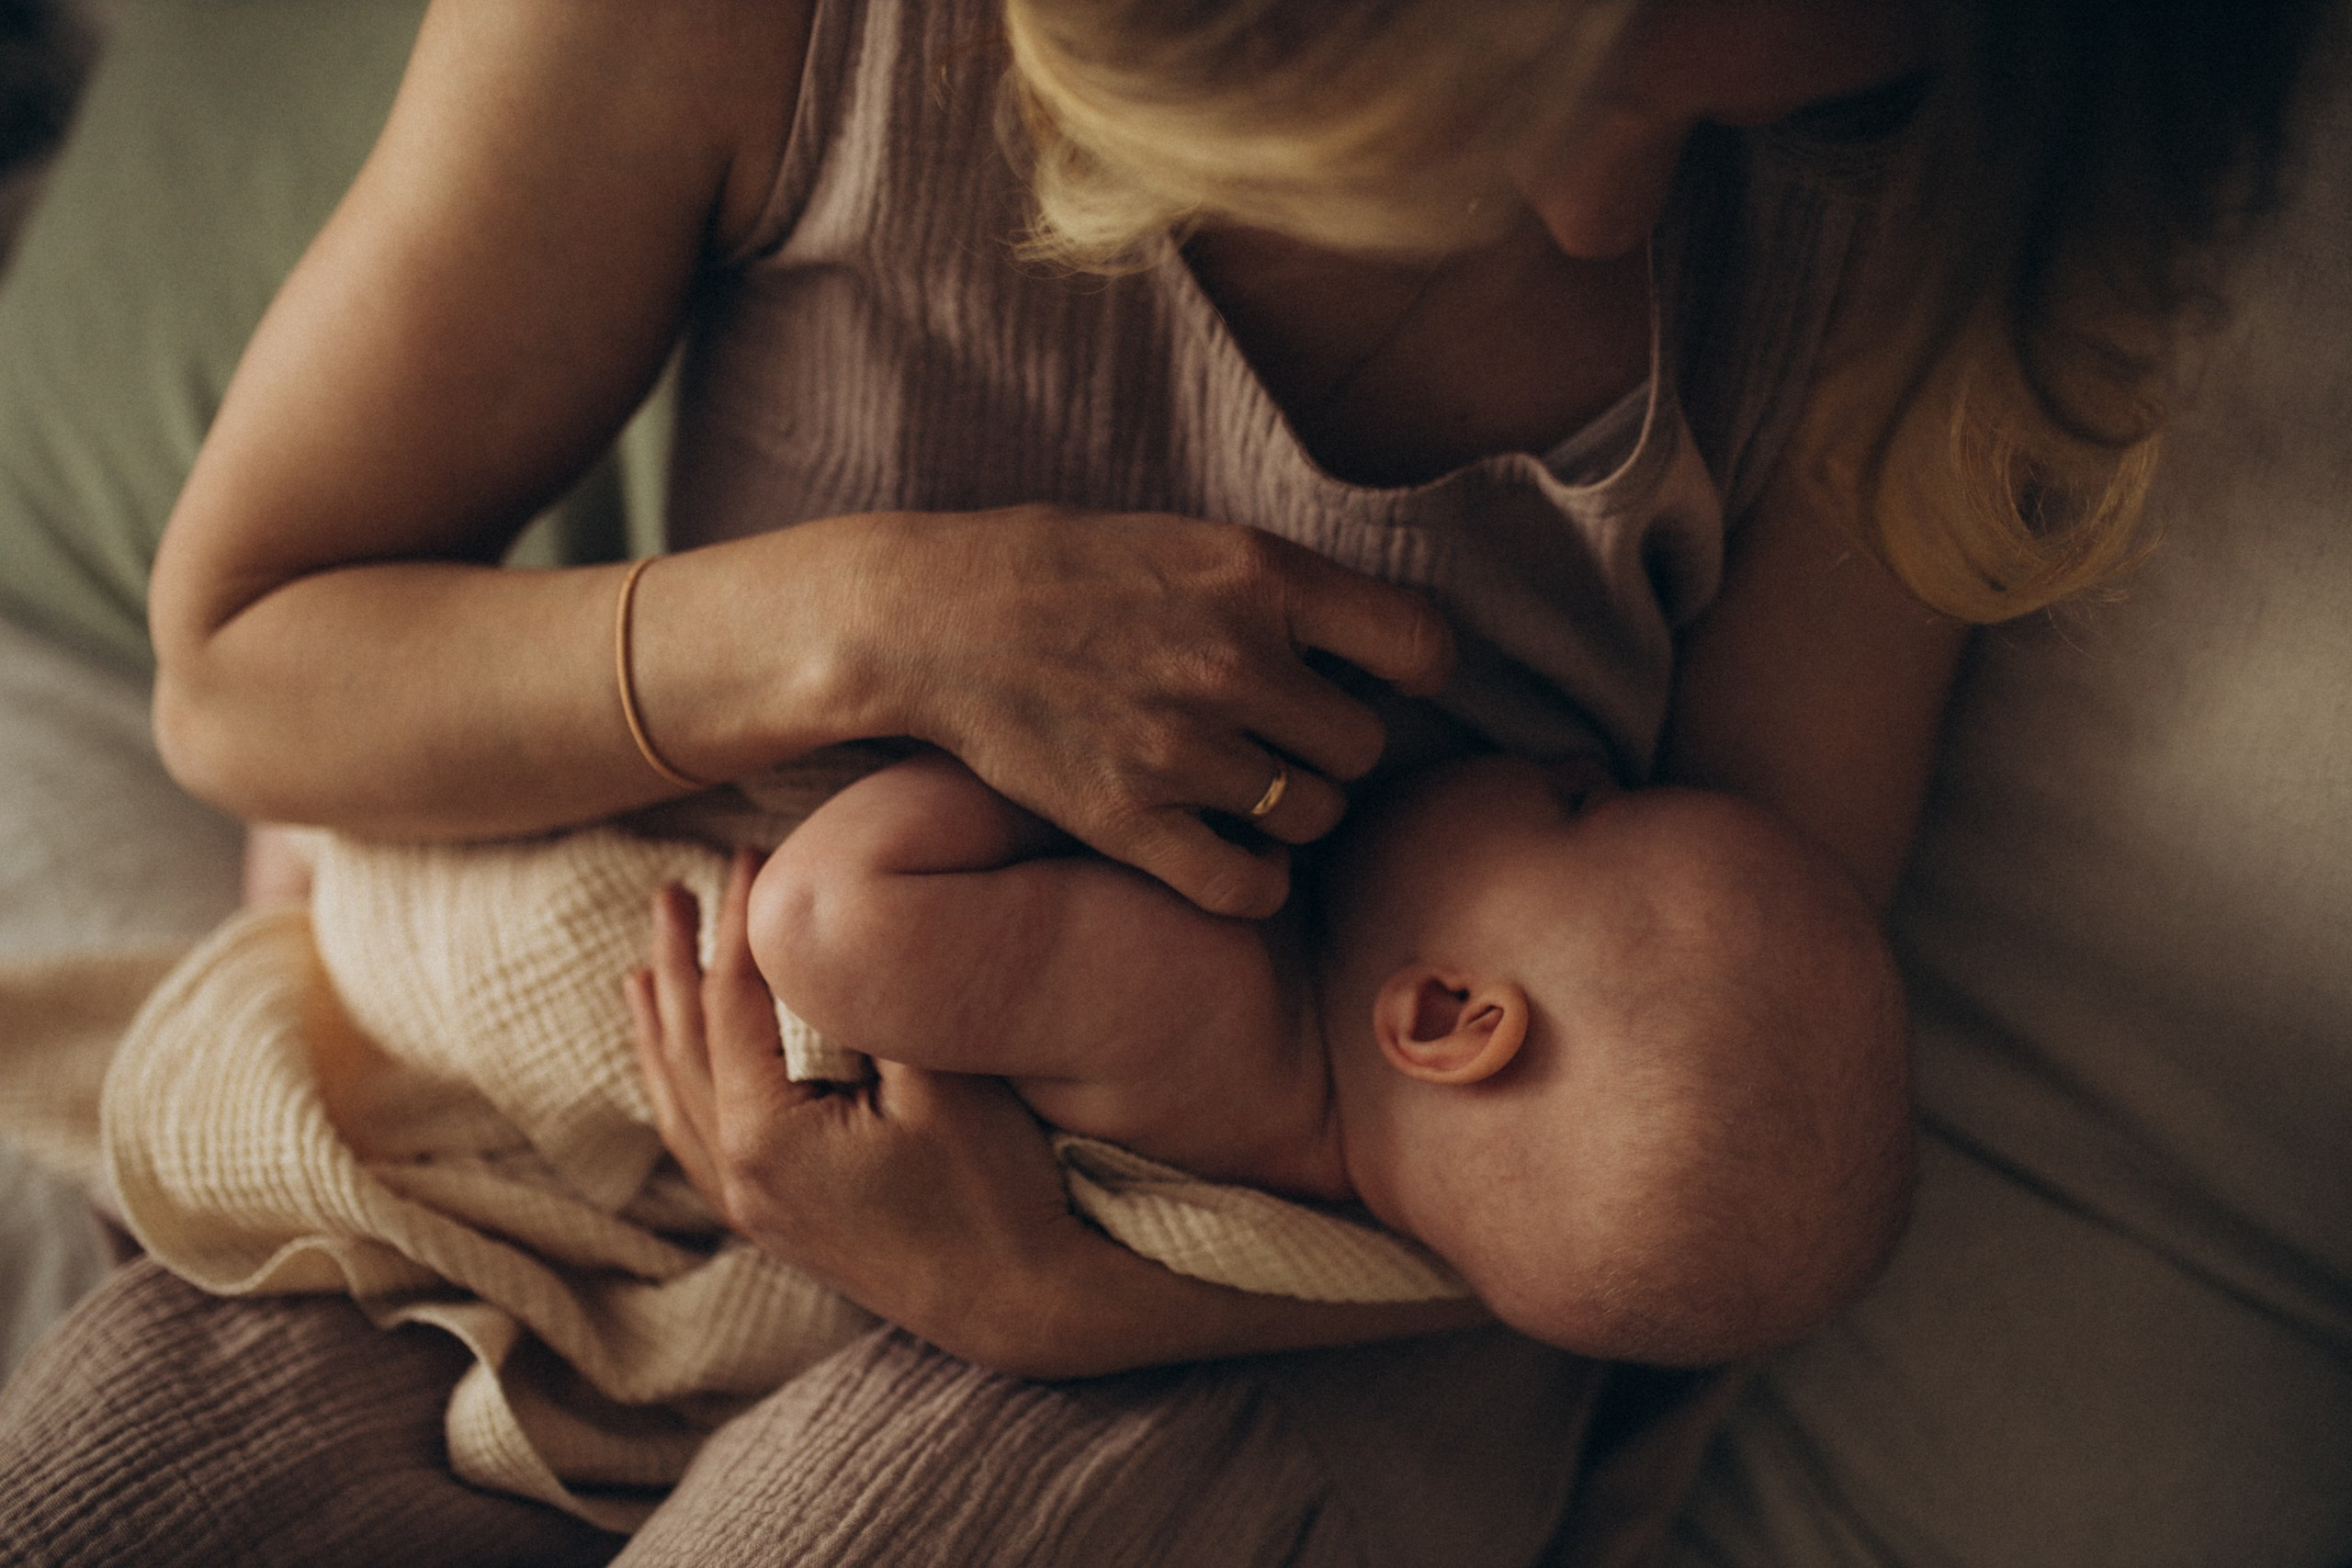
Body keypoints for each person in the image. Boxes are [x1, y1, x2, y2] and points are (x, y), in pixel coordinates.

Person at [0, 0, 2330, 1562]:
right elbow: (244, 669)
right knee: (138, 1466)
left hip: (1334, 1320)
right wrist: (875, 621)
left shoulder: (1923, 218)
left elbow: (1695, 1143)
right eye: (1531, 88)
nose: (1615, 214)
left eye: (1775, 104)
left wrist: (1076, 1300)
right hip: (647, 1133)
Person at [637, 747, 1907, 1365]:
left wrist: (1069, 775)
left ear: (1448, 1020)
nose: (1571, 758)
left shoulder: (1200, 992)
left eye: (1583, 805)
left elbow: (819, 923)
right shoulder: (1368, 1239)